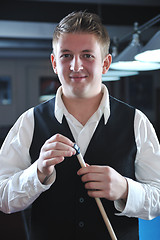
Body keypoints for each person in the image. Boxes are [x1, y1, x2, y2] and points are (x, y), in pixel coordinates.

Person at [0, 11, 160, 240]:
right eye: (66, 55)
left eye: (87, 55)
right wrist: (37, 173)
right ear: (55, 63)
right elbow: (3, 198)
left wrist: (125, 189)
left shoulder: (137, 121)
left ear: (105, 64)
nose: (76, 65)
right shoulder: (29, 122)